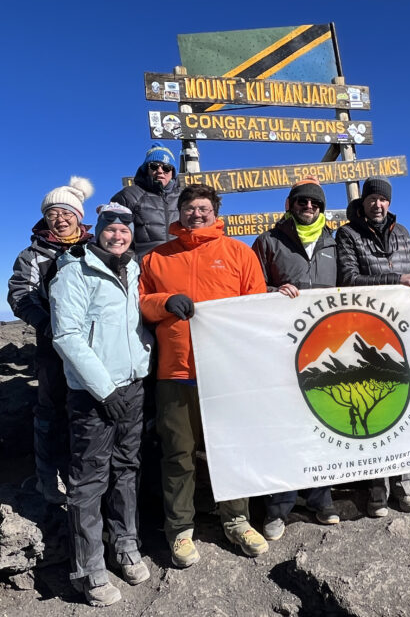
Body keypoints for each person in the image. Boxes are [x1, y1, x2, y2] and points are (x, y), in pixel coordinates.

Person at [139, 184, 269, 566]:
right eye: (189, 208)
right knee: (178, 454)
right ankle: (179, 528)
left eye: (203, 208)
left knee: (231, 448)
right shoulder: (157, 258)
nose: (197, 214)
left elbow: (256, 306)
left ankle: (237, 519)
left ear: (216, 212)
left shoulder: (239, 253)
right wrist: (164, 303)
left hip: (227, 372)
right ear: (178, 212)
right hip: (175, 371)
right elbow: (142, 304)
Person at [49, 202, 153, 607]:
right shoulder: (73, 273)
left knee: (127, 469)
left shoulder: (133, 269)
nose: (118, 235)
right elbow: (67, 336)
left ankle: (125, 544)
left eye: (125, 229)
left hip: (132, 385)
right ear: (98, 231)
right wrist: (103, 389)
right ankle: (89, 567)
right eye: (111, 228)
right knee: (89, 480)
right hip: (94, 394)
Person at [251, 176, 340, 540]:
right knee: (285, 424)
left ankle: (322, 498)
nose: (308, 207)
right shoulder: (268, 241)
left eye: (314, 203)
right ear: (290, 205)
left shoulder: (337, 241)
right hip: (282, 346)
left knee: (322, 419)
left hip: (326, 345)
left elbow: (351, 286)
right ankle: (279, 506)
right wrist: (274, 290)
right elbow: (251, 287)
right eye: (301, 202)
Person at [335, 175, 410, 517]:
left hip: (401, 333)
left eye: (383, 199)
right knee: (370, 410)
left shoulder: (402, 233)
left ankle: (405, 485)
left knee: (401, 407)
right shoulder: (348, 234)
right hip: (365, 332)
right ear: (363, 202)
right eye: (372, 199)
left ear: (389, 202)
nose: (378, 204)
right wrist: (395, 280)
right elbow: (349, 279)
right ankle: (376, 489)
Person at [7, 176, 94, 505]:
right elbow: (20, 295)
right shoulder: (32, 255)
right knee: (50, 408)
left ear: (79, 215)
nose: (60, 218)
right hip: (52, 346)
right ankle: (47, 477)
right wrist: (47, 325)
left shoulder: (96, 248)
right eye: (53, 213)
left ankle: (82, 474)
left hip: (94, 344)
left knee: (86, 407)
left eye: (67, 212)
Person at [111, 143, 181, 257]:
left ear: (173, 172)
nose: (160, 170)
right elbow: (114, 236)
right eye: (154, 166)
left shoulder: (184, 199)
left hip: (180, 266)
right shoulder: (128, 196)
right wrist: (132, 266)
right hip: (143, 270)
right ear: (145, 169)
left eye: (166, 167)